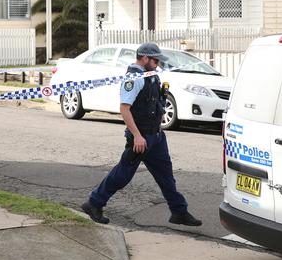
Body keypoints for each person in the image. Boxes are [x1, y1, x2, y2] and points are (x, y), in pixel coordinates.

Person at [81, 42, 202, 227]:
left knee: (166, 176)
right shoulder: (134, 78)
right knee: (122, 174)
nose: (158, 64)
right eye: (155, 60)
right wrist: (137, 135)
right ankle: (94, 203)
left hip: (156, 137)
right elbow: (124, 108)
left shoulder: (151, 75)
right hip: (141, 137)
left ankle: (179, 212)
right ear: (144, 58)